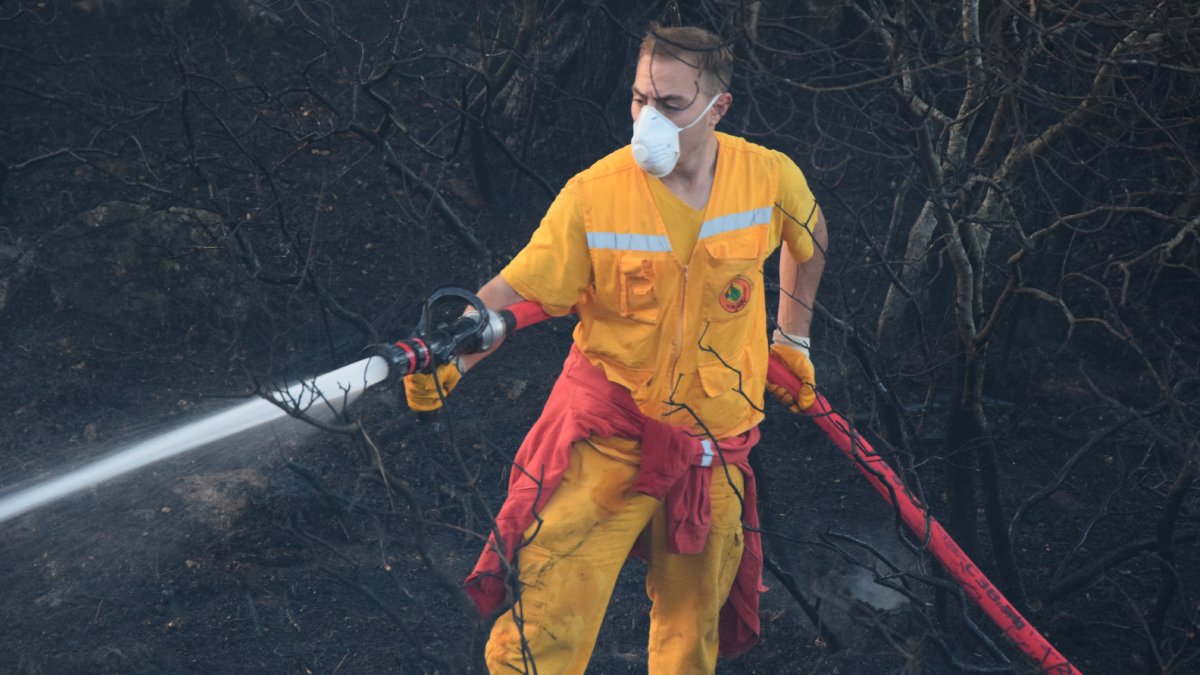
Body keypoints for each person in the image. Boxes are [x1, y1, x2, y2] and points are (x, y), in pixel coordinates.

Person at [405, 23, 827, 675]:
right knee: (543, 622)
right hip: (609, 446)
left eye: (671, 104)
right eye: (639, 98)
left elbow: (811, 233)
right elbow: (521, 290)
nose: (647, 119)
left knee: (689, 644)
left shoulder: (766, 179)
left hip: (712, 455)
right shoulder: (597, 195)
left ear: (719, 108)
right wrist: (451, 353)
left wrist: (792, 336)